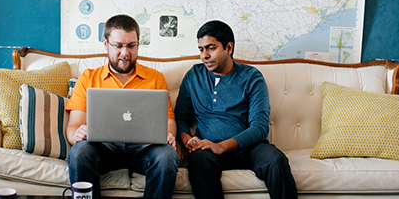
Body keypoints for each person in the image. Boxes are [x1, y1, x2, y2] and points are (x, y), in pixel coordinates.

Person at [174, 20, 298, 199]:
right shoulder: (194, 76)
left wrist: (221, 146)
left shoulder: (251, 77)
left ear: (229, 48)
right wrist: (187, 139)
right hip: (207, 149)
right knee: (198, 160)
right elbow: (181, 118)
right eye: (201, 49)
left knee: (275, 159)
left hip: (247, 147)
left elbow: (260, 127)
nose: (204, 55)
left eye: (211, 48)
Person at [66, 14, 178, 199]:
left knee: (167, 156)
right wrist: (76, 135)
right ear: (105, 44)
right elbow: (73, 127)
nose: (125, 53)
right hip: (103, 149)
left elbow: (169, 122)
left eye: (131, 46)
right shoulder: (88, 78)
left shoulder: (155, 78)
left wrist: (169, 135)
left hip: (144, 150)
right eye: (118, 46)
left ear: (138, 44)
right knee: (79, 152)